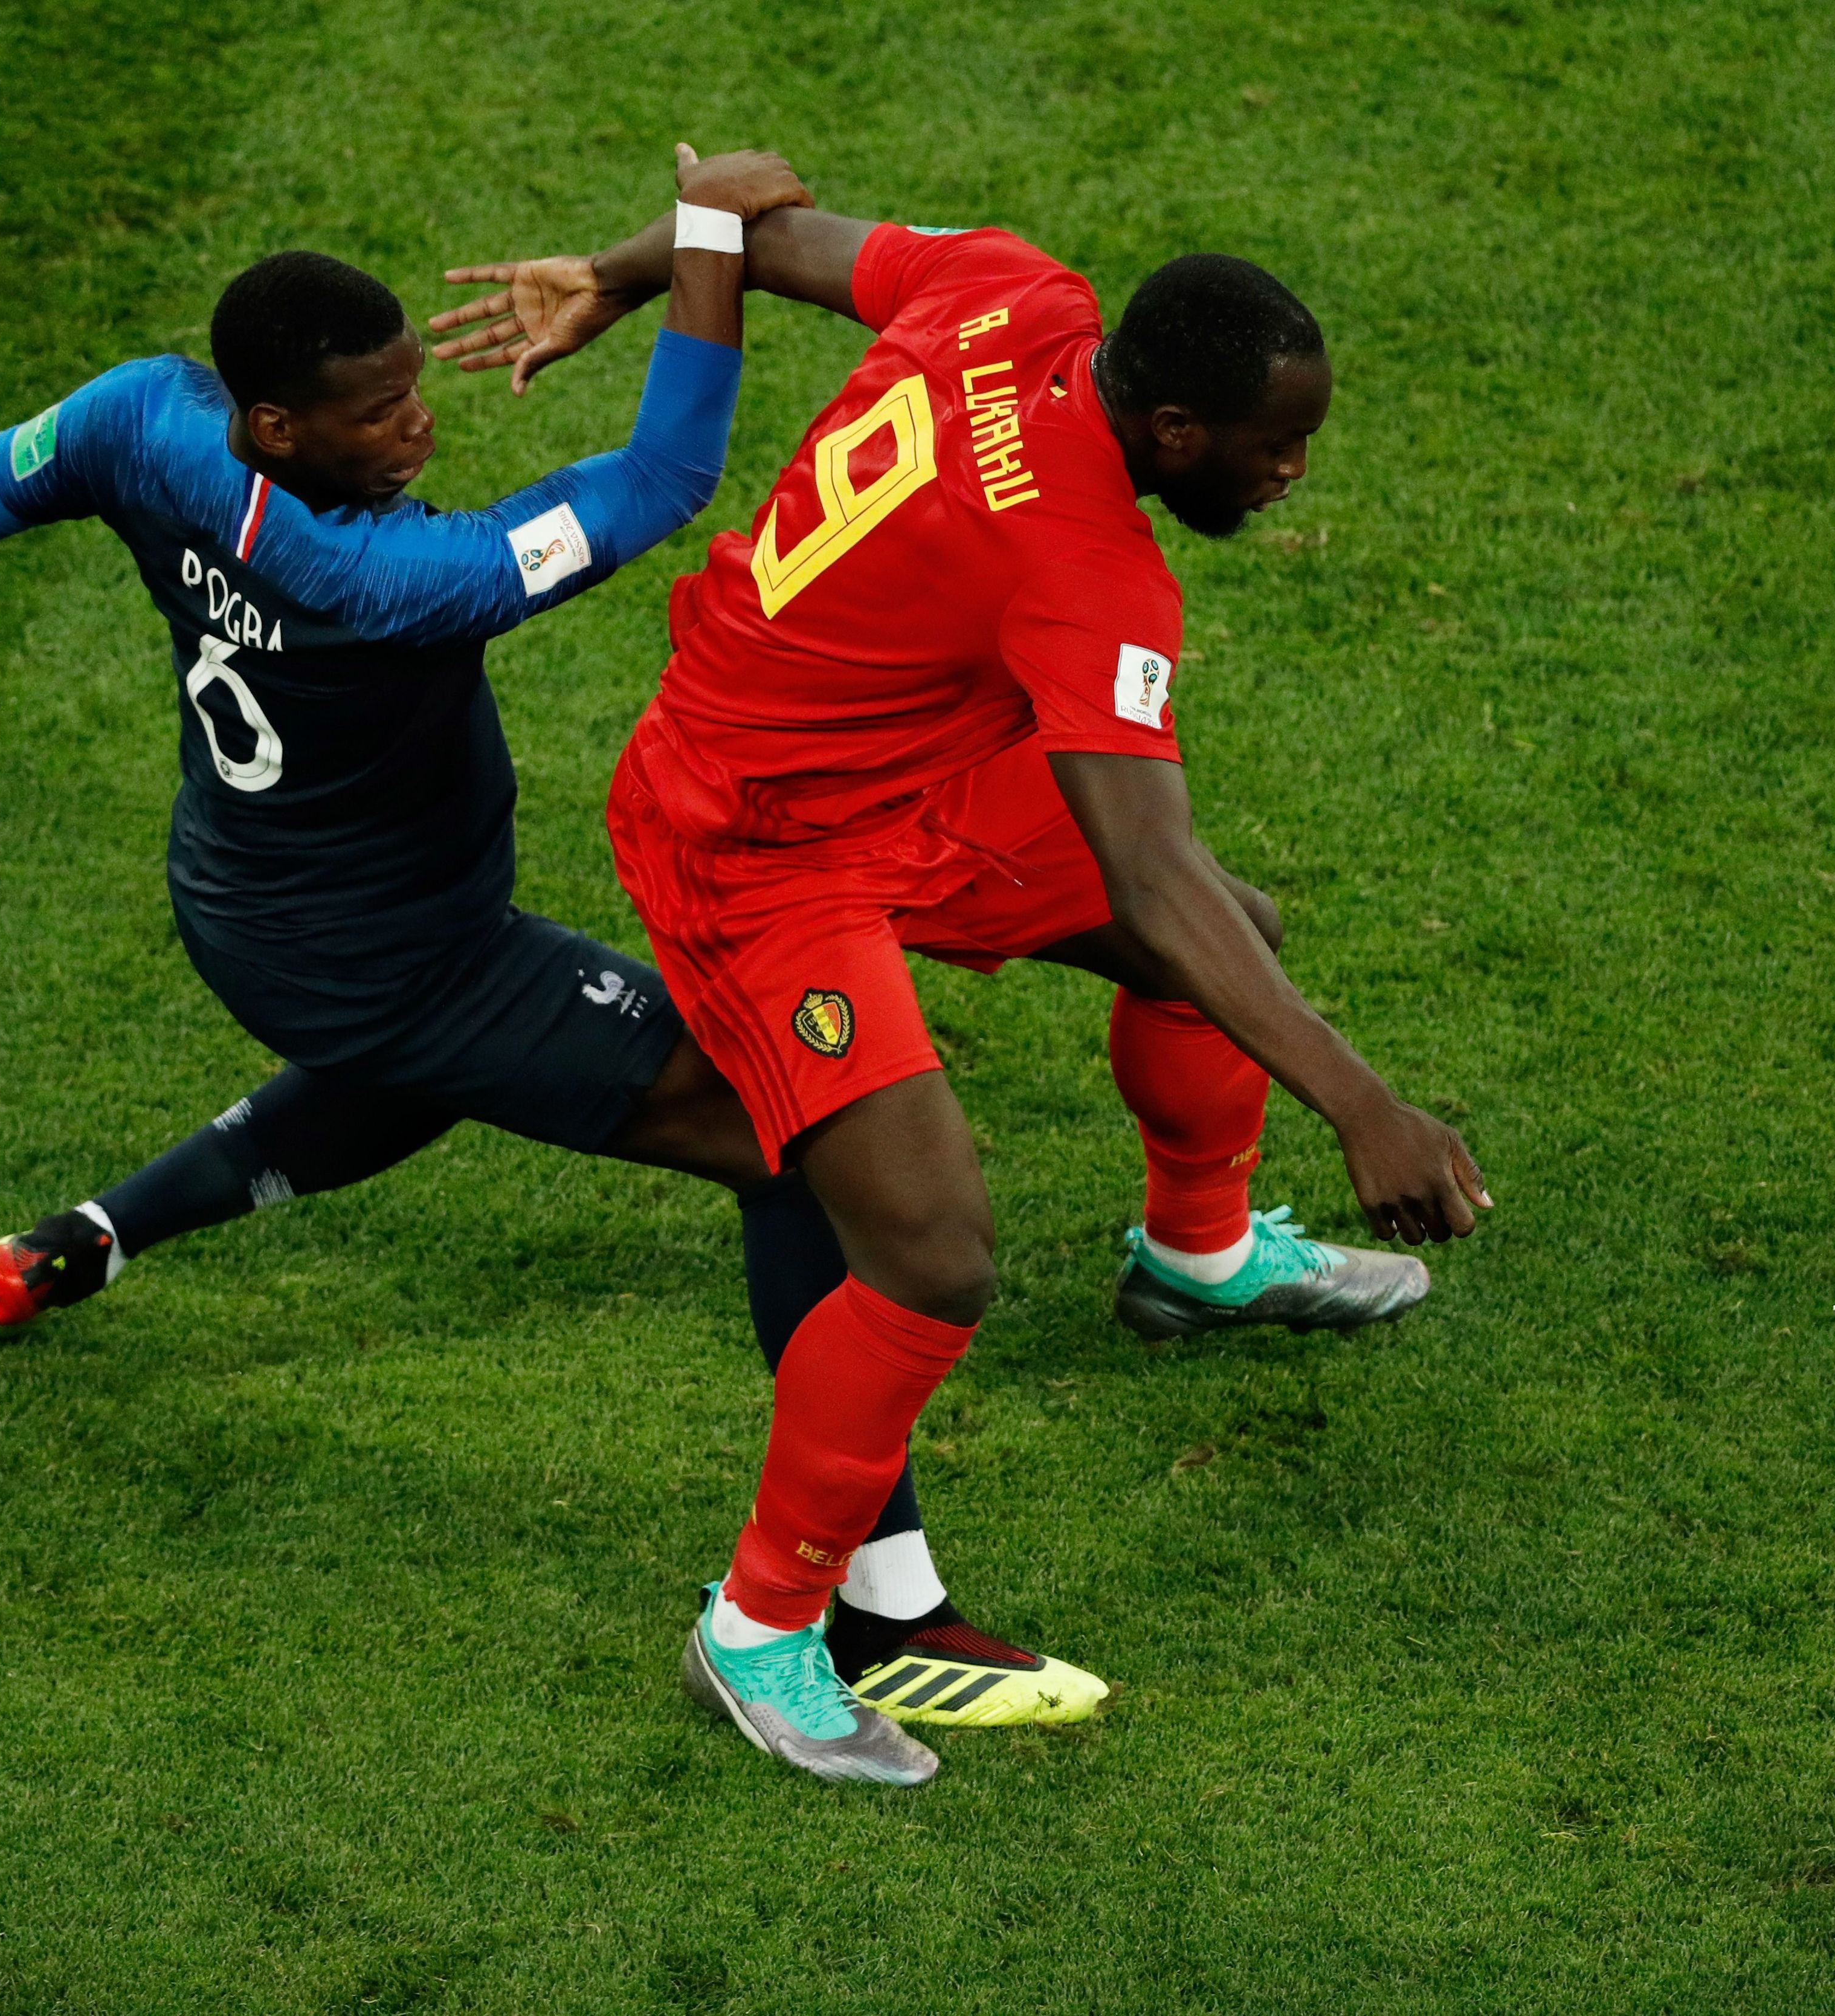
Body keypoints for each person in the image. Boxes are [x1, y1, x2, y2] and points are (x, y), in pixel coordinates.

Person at [0, 147, 1109, 1733]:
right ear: (277, 428)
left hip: (248, 905)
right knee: (789, 1138)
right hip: (405, 960)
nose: (418, 425)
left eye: (414, 387)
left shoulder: (137, 423)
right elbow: (661, 482)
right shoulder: (384, 581)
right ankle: (877, 1607)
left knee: (411, 1073)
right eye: (377, 414)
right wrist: (707, 231)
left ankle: (68, 1249)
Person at [431, 202, 1494, 1785]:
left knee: (1235, 938)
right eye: (1275, 447)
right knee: (932, 1253)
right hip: (750, 841)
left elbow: (758, 221)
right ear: (1176, 430)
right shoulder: (1087, 566)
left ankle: (1199, 1257)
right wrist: (1366, 1107)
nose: (1292, 474)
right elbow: (1150, 875)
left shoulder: (1009, 290)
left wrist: (616, 273)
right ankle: (760, 1630)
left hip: (895, 773)